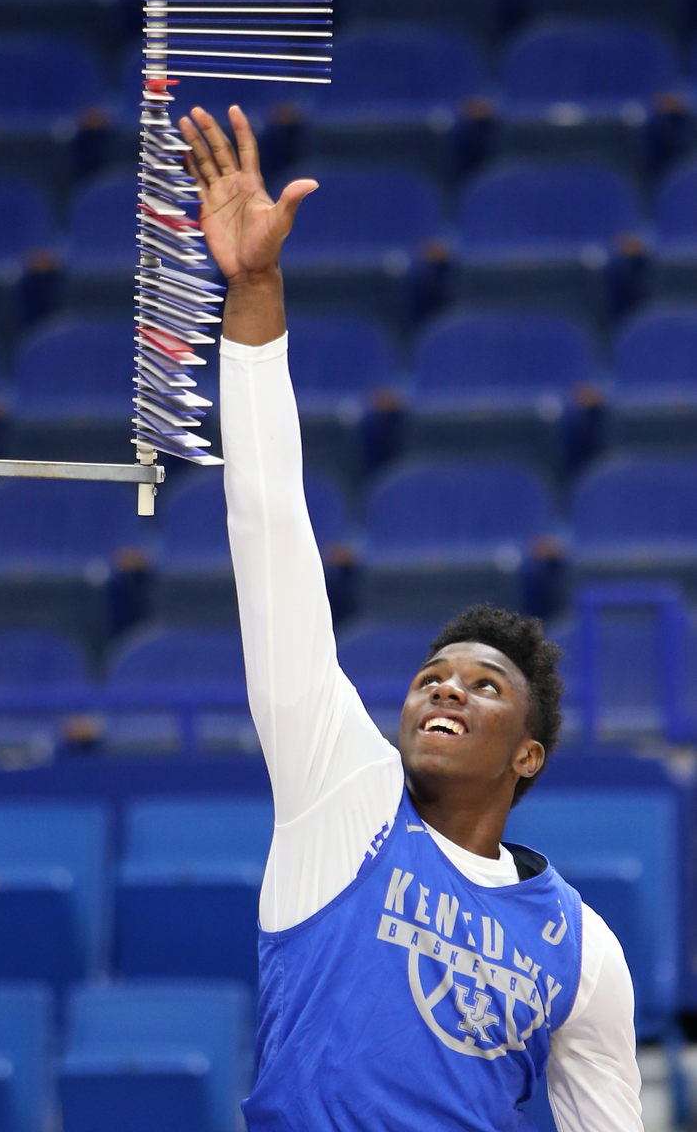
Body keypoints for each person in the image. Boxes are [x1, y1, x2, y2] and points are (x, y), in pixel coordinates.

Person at [178, 103, 643, 1132]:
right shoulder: (340, 792)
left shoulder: (580, 947)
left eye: (483, 685)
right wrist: (252, 295)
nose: (446, 686)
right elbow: (268, 532)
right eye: (436, 671)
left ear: (524, 755)